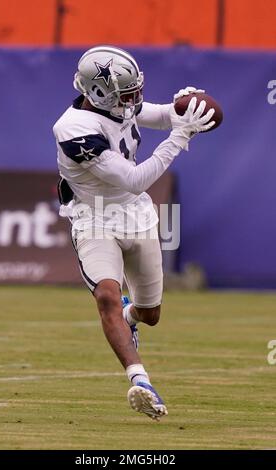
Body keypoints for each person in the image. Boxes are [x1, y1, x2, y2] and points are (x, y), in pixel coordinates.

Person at [53, 45, 215, 421]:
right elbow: (135, 179)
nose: (134, 101)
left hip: (136, 218)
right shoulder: (74, 129)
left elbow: (156, 114)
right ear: (98, 93)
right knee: (108, 295)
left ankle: (132, 317)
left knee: (151, 313)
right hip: (94, 219)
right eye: (126, 95)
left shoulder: (118, 105)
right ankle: (141, 381)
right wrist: (179, 137)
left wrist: (183, 111)